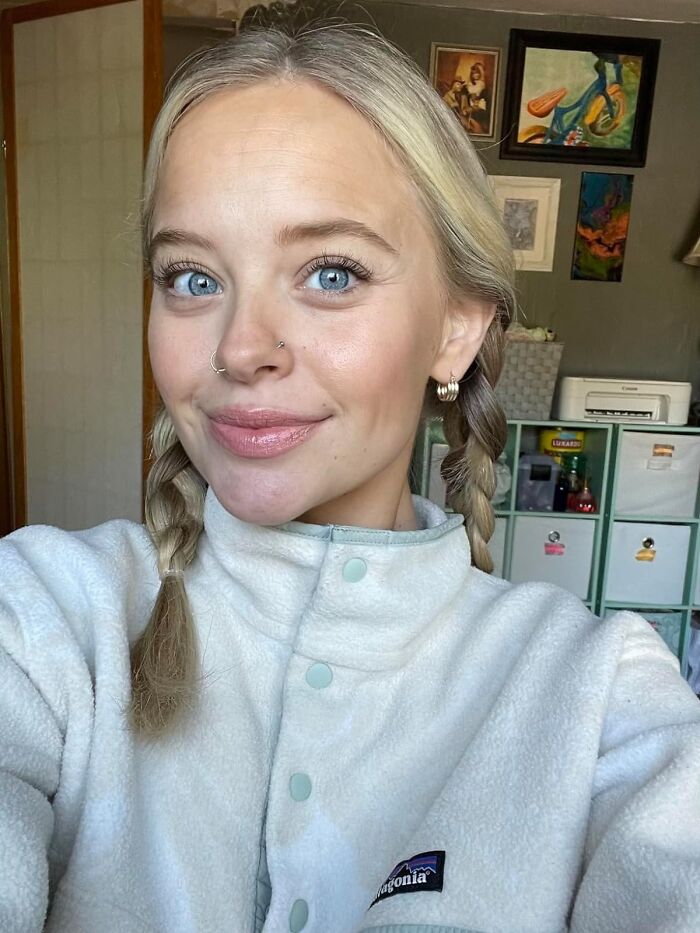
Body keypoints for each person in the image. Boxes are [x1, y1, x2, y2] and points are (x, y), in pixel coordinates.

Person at [1, 20, 699, 933]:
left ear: (458, 325)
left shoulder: (602, 697)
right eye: (191, 277)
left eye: (330, 271)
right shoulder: (47, 618)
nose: (242, 348)